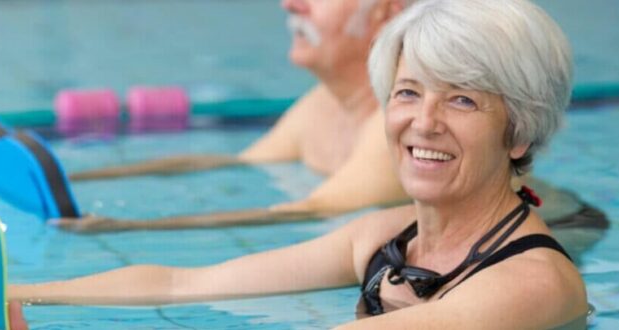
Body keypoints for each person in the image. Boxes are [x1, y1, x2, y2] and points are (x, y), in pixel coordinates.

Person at [10, 0, 589, 327]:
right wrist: (19, 291)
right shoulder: (385, 236)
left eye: (462, 99)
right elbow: (185, 281)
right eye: (408, 92)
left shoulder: (529, 285)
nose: (424, 121)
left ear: (519, 131)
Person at [51, 0, 417, 232]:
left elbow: (309, 211)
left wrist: (124, 227)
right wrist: (70, 176)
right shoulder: (324, 102)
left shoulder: (393, 132)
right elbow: (237, 163)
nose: (290, 4)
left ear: (388, 12)